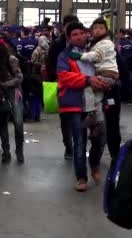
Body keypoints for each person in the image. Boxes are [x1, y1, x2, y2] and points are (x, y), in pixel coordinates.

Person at [57, 22, 110, 192]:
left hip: (95, 101)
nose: (79, 36)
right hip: (74, 104)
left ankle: (94, 165)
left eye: (81, 33)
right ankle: (81, 177)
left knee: (100, 138)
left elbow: (107, 67)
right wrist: (88, 80)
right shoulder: (64, 56)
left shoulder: (95, 52)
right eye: (74, 34)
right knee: (79, 142)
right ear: (69, 38)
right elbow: (65, 77)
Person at [69, 17, 119, 134]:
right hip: (107, 74)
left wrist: (80, 56)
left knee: (88, 88)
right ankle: (98, 124)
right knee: (97, 99)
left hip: (106, 74)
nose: (97, 30)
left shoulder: (105, 43)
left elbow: (97, 56)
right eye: (95, 28)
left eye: (101, 28)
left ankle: (91, 114)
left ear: (106, 30)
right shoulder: (96, 42)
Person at [0, 38, 25, 163]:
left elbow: (19, 78)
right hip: (0, 95)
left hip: (14, 94)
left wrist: (5, 84)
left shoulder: (11, 59)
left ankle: (19, 151)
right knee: (2, 124)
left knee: (18, 123)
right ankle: (6, 152)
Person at [47, 15, 80, 160]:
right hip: (63, 87)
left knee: (79, 119)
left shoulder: (83, 45)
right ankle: (68, 146)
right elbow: (50, 64)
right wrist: (54, 79)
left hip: (80, 86)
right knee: (65, 119)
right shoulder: (57, 44)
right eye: (69, 26)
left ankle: (79, 145)